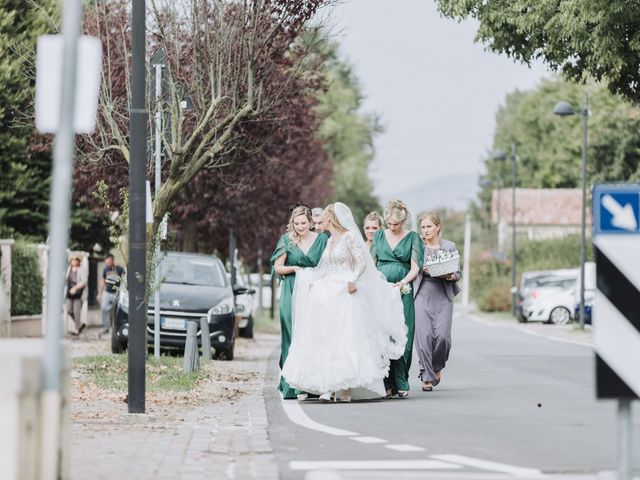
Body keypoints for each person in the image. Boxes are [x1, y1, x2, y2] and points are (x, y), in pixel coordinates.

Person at [282, 203, 407, 402]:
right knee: (329, 339)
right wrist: (315, 281)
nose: (320, 223)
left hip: (346, 290)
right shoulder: (330, 240)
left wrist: (353, 280)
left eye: (324, 219)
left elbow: (361, 263)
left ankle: (345, 388)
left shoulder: (349, 237)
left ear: (332, 219)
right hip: (329, 291)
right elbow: (325, 267)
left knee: (345, 339)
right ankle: (331, 386)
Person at [271, 205, 328, 399]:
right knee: (292, 333)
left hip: (315, 290)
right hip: (292, 288)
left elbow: (328, 265)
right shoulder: (287, 240)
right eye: (296, 224)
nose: (300, 227)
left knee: (312, 335)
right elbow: (277, 267)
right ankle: (292, 384)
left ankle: (311, 383)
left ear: (311, 222)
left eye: (303, 223)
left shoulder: (322, 239)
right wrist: (294, 268)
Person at [371, 199, 423, 398]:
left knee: (403, 333)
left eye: (396, 224)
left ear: (403, 222)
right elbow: (372, 263)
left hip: (402, 289)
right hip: (381, 289)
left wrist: (403, 282)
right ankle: (386, 382)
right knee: (383, 334)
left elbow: (415, 266)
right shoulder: (378, 236)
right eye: (390, 224)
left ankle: (401, 378)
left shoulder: (412, 237)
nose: (392, 228)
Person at [414, 211, 460, 392]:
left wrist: (450, 275)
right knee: (424, 337)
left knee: (442, 337)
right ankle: (426, 375)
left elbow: (457, 273)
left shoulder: (449, 246)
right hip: (422, 293)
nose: (425, 231)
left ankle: (437, 366)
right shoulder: (417, 246)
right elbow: (410, 267)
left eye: (429, 226)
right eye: (423, 227)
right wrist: (421, 269)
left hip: (443, 295)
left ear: (438, 227)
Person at [98, 254, 125, 334]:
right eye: (106, 262)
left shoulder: (120, 269)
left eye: (108, 262)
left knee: (117, 311)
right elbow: (102, 281)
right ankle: (106, 328)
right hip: (107, 292)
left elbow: (124, 281)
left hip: (116, 293)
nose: (107, 263)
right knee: (104, 309)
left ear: (112, 261)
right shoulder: (105, 269)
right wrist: (99, 293)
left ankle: (117, 329)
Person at [65, 255, 88, 335]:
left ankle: (77, 329)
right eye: (73, 260)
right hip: (69, 293)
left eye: (76, 260)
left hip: (78, 294)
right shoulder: (69, 269)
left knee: (76, 311)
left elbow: (84, 281)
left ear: (79, 261)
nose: (74, 261)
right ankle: (80, 324)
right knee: (68, 310)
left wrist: (75, 288)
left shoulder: (81, 269)